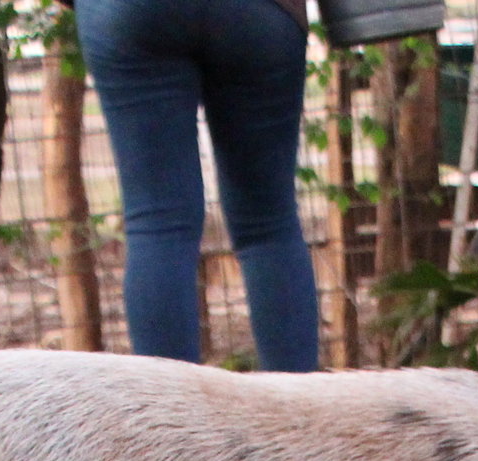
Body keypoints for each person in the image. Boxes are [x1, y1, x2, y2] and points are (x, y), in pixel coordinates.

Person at [75, 0, 322, 372]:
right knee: (270, 225)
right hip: (262, 13)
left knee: (158, 224)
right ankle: (300, 417)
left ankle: (168, 423)